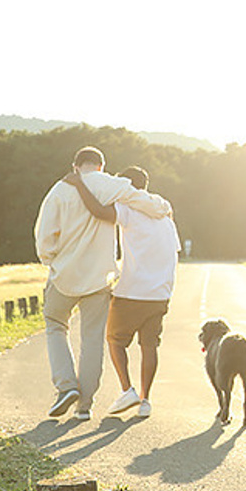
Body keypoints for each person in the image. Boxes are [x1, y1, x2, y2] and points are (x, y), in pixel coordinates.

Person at [34, 147, 174, 421]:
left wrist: (50, 260)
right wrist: (165, 207)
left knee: (55, 326)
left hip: (64, 274)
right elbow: (147, 203)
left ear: (76, 166)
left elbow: (44, 238)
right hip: (100, 278)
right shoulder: (112, 186)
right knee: (92, 339)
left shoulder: (59, 190)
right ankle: (84, 406)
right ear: (102, 166)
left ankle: (65, 387)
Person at [66, 165, 180, 419]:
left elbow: (97, 211)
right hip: (161, 292)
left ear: (126, 186)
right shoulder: (164, 213)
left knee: (115, 340)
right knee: (150, 346)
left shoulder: (129, 211)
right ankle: (145, 400)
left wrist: (79, 184)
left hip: (133, 290)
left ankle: (127, 389)